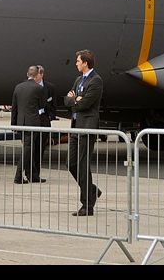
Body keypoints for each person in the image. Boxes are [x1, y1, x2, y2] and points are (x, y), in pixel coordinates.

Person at [65, 50, 103, 216]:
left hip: (87, 126)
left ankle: (87, 205)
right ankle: (92, 190)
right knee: (71, 163)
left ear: (85, 63)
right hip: (75, 126)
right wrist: (75, 99)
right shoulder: (78, 80)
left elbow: (85, 103)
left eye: (78, 60)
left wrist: (76, 99)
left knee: (82, 164)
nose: (76, 63)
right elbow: (67, 100)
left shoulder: (96, 81)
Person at [12, 66, 45, 184]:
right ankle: (18, 174)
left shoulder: (18, 87)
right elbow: (42, 105)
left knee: (29, 148)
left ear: (27, 74)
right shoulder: (38, 88)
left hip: (21, 122)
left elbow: (14, 108)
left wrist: (13, 124)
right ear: (37, 76)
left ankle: (32, 174)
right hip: (32, 122)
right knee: (28, 149)